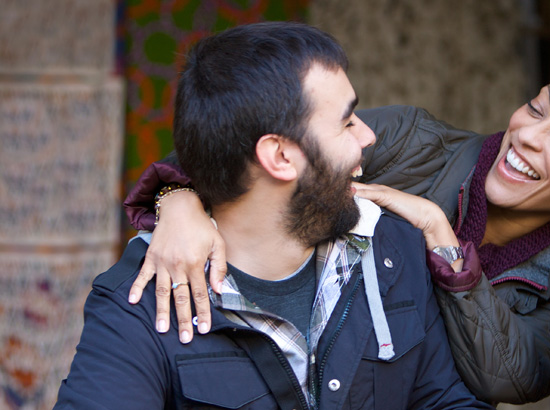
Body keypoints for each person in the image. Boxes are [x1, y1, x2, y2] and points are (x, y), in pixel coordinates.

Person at [121, 65, 550, 403]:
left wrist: (439, 236)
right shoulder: (412, 141)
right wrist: (179, 203)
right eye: (536, 107)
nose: (527, 135)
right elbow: (255, 154)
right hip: (264, 370)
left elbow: (508, 380)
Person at [55, 22, 491, 410]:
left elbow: (448, 400)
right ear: (280, 156)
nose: (369, 136)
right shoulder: (140, 305)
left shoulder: (393, 249)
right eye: (346, 122)